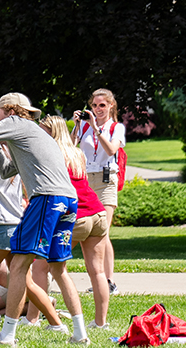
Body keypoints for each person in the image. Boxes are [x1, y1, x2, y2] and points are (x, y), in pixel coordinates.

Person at [0, 93, 89, 346]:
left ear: (9, 111)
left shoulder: (14, 123)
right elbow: (6, 170)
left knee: (19, 266)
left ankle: (7, 335)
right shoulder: (33, 132)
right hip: (68, 201)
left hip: (46, 198)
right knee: (59, 269)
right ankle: (80, 334)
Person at [0, 124, 63, 334]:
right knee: (25, 281)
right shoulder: (12, 164)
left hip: (3, 227)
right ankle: (56, 324)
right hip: (17, 225)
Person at [41, 115, 110, 329]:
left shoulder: (49, 154)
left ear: (51, 132)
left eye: (42, 130)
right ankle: (100, 323)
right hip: (97, 214)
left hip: (75, 217)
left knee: (45, 267)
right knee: (97, 271)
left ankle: (35, 319)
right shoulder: (76, 152)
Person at [72, 88, 125, 295]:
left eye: (102, 105)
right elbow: (70, 146)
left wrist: (96, 128)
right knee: (87, 231)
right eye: (94, 105)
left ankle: (108, 281)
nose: (97, 109)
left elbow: (111, 150)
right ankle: (98, 280)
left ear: (111, 105)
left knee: (103, 232)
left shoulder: (116, 127)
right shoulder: (85, 127)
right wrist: (78, 126)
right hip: (85, 181)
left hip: (105, 180)